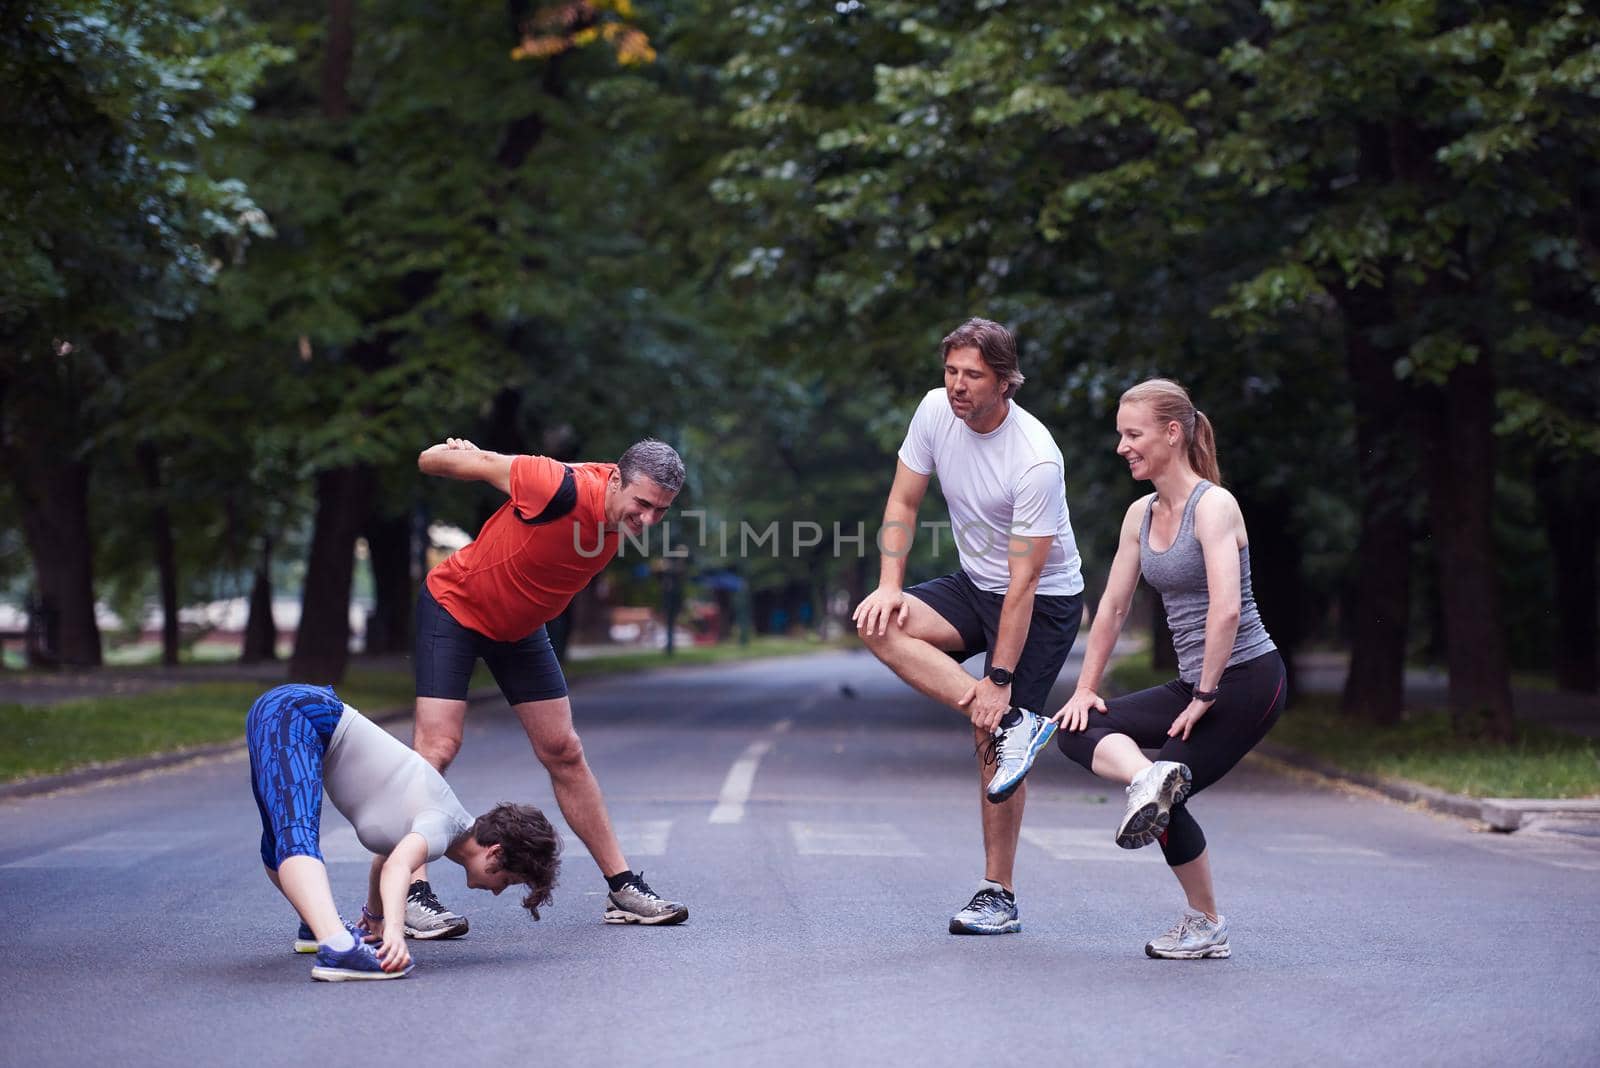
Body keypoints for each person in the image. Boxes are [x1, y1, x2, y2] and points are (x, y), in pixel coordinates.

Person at [853, 317, 1085, 936]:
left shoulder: (1036, 460)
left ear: (1005, 382)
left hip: (1042, 602)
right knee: (880, 624)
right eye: (951, 371)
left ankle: (997, 894)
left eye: (973, 376)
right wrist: (889, 584)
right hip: (974, 583)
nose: (957, 386)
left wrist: (1000, 677)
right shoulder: (934, 412)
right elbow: (903, 502)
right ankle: (1010, 724)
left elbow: (1025, 584)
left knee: (992, 749)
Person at [405, 436, 689, 936]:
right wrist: (462, 455)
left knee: (564, 749)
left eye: (660, 512)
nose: (647, 521)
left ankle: (623, 887)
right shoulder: (552, 483)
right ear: (618, 481)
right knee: (438, 747)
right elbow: (429, 461)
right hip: (455, 607)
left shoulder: (617, 501)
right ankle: (411, 892)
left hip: (520, 626)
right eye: (642, 505)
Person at [1052, 378, 1286, 960]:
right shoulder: (1141, 513)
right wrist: (1085, 689)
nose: (1122, 447)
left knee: (1169, 796)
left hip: (1247, 678)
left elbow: (1227, 607)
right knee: (1075, 730)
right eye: (1120, 436)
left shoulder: (1215, 505)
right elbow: (1112, 606)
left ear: (1172, 433)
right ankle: (1145, 781)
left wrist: (1205, 692)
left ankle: (1205, 922)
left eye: (1133, 435)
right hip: (1195, 681)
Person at [247, 683, 560, 982]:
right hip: (299, 714)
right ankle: (338, 949)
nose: (496, 890)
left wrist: (375, 916)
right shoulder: (443, 825)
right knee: (296, 834)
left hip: (286, 711)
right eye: (506, 881)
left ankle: (316, 926)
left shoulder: (447, 826)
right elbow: (398, 868)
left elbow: (387, 859)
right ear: (495, 852)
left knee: (276, 841)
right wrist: (395, 935)